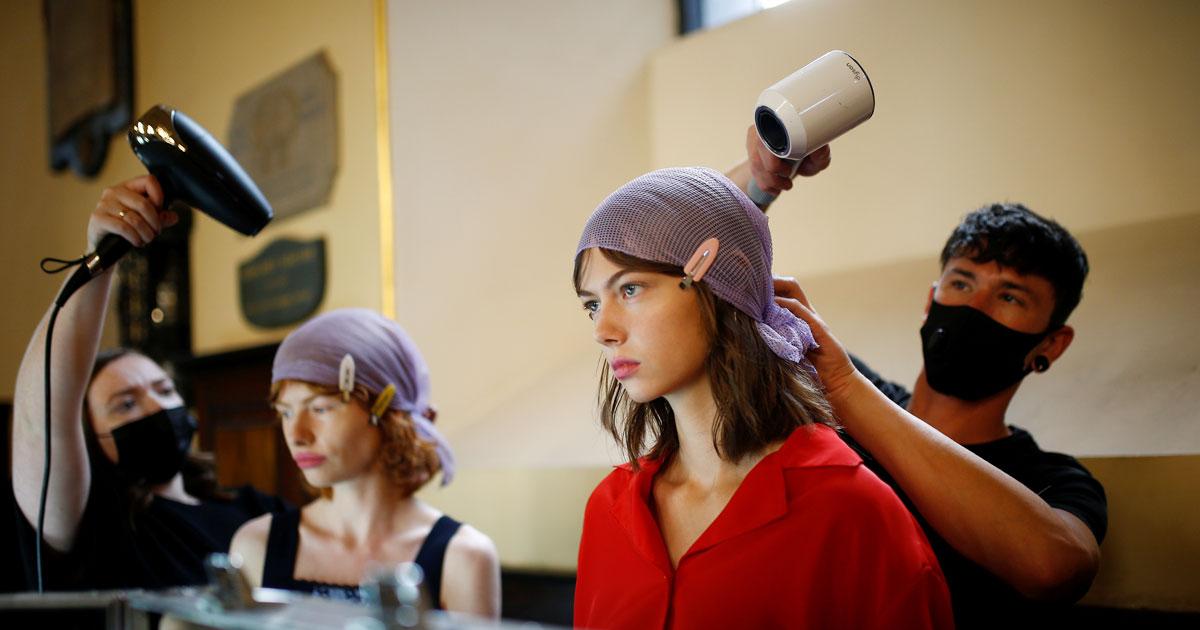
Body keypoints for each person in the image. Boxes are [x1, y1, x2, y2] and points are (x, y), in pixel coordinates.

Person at [733, 127, 1107, 628]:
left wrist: (846, 389)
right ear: (932, 301)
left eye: (1010, 296)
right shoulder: (832, 383)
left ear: (1051, 345)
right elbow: (687, 274)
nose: (974, 307)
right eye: (962, 282)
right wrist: (761, 180)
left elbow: (1054, 569)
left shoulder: (1052, 479)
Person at [571, 167, 953, 629]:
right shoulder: (609, 510)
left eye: (630, 289)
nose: (603, 330)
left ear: (722, 281)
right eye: (592, 304)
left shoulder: (850, 510)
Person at [9, 175, 284, 590]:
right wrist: (100, 257)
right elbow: (44, 416)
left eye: (164, 390)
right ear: (88, 435)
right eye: (126, 404)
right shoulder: (96, 525)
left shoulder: (252, 507)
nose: (156, 408)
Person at [230, 309, 500, 618]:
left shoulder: (463, 557)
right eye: (286, 413)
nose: (297, 436)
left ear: (385, 410)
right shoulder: (256, 545)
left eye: (320, 408)